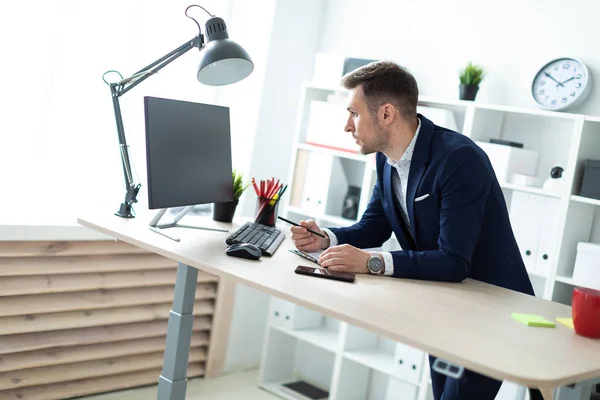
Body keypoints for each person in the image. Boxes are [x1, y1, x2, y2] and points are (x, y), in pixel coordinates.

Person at [290, 61, 536, 400]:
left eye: (354, 113)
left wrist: (371, 262)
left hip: (490, 309)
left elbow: (453, 261)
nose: (347, 125)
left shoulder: (458, 159)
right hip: (444, 301)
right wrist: (328, 238)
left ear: (387, 114)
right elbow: (374, 226)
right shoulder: (385, 157)